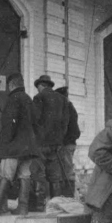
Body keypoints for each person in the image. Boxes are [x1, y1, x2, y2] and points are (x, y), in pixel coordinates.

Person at [0, 72, 40, 217]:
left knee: (5, 175)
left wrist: (3, 148)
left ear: (11, 85)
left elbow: (9, 125)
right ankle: (23, 208)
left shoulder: (13, 99)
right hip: (29, 148)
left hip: (13, 147)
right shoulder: (28, 99)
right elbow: (36, 124)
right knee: (25, 176)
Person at [32, 75, 71, 208]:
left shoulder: (39, 98)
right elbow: (66, 123)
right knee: (55, 176)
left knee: (40, 174)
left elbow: (35, 120)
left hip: (41, 143)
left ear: (41, 86)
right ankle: (56, 205)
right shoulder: (62, 100)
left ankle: (40, 204)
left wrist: (36, 138)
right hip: (57, 144)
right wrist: (59, 139)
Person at [55, 86, 81, 197]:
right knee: (67, 169)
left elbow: (65, 129)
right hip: (70, 143)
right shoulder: (70, 107)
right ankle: (68, 195)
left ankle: (68, 196)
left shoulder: (65, 108)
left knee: (67, 170)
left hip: (66, 144)